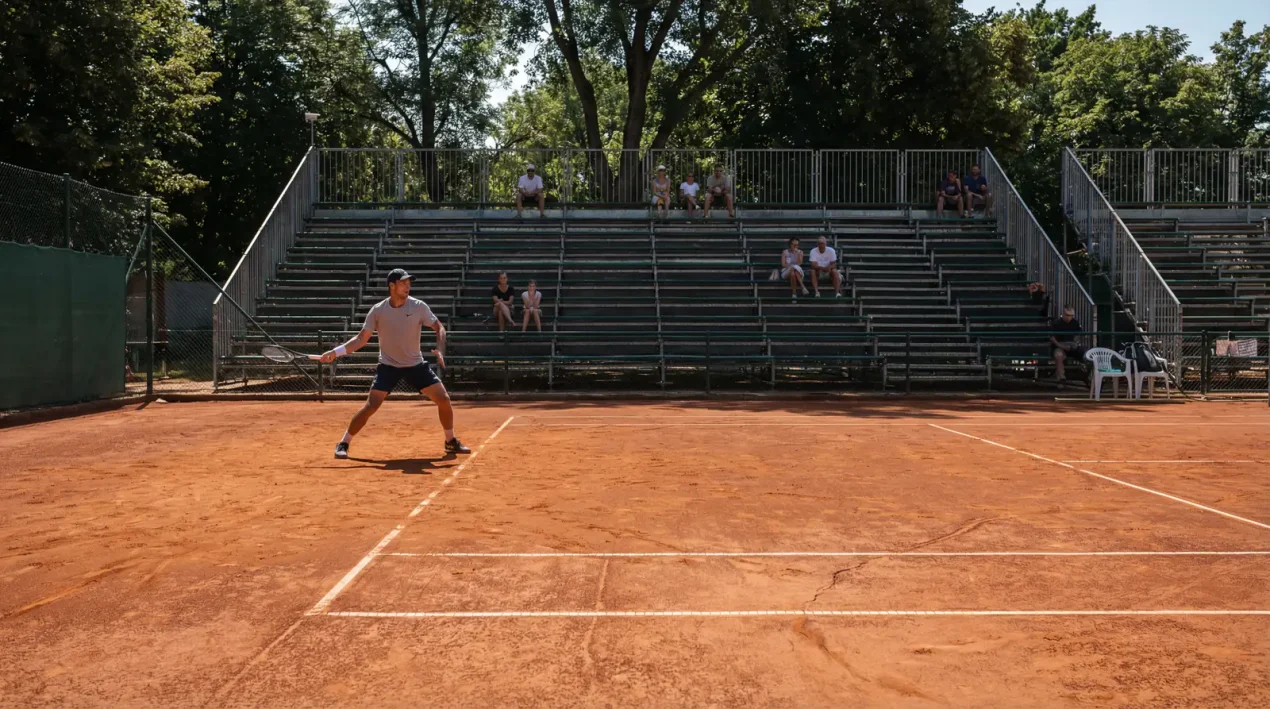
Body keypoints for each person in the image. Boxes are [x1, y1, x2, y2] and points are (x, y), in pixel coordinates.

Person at [321, 268, 469, 459]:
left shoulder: (418, 306)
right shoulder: (378, 310)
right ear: (392, 286)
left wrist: (440, 348)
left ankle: (450, 441)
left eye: (409, 283)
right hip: (388, 366)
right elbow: (360, 339)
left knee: (444, 400)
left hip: (415, 365)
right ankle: (343, 443)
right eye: (403, 283)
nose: (408, 286)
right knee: (371, 406)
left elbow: (438, 326)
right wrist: (335, 352)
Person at [1050, 306, 1088, 383]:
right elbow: (1052, 338)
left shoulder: (1075, 323)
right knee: (1059, 355)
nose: (1069, 317)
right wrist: (1061, 346)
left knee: (1087, 354)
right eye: (1067, 315)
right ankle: (1061, 378)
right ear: (1063, 314)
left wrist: (1076, 341)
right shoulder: (1056, 323)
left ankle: (1088, 376)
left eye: (1071, 315)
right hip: (1060, 346)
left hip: (1072, 346)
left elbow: (1079, 333)